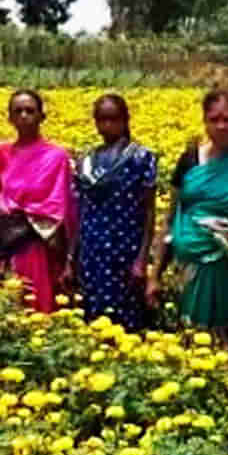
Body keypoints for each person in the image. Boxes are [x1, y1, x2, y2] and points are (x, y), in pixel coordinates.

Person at [150, 89, 228, 349]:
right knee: (191, 347)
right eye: (214, 119)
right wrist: (155, 275)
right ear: (205, 122)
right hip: (189, 270)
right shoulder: (189, 161)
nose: (221, 126)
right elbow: (171, 217)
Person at [72, 94, 157, 332]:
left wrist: (142, 259)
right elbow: (80, 211)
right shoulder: (86, 160)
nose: (107, 125)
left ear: (125, 120)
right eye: (101, 119)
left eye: (113, 119)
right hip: (92, 250)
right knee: (92, 313)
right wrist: (73, 257)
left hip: (126, 249)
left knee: (127, 319)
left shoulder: (141, 158)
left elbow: (149, 212)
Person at [0, 89, 78, 314]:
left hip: (42, 243)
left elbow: (63, 207)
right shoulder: (2, 153)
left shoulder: (57, 156)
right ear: (9, 117)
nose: (23, 116)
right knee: (11, 309)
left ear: (42, 116)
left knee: (39, 308)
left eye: (30, 110)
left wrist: (69, 259)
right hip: (10, 242)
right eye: (17, 111)